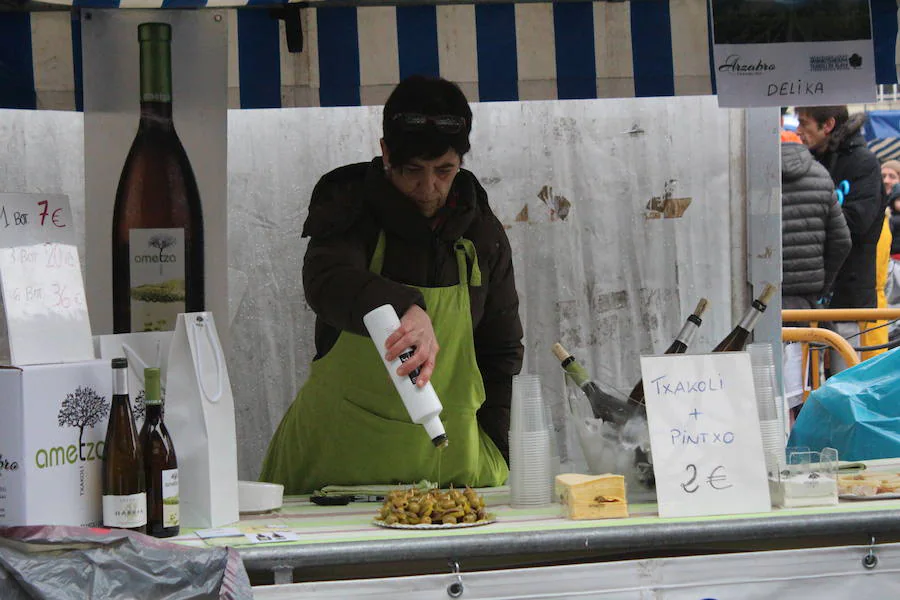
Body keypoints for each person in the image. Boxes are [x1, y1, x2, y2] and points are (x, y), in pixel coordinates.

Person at [260, 76, 525, 494]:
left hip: (452, 469)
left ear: (462, 160)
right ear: (385, 153)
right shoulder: (350, 208)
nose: (428, 187)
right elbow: (327, 280)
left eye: (444, 170)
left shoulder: (481, 233)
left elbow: (501, 350)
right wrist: (404, 307)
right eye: (411, 171)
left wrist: (494, 443)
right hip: (335, 466)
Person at [796, 106, 887, 371]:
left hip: (849, 295)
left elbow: (857, 223)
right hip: (810, 293)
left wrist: (809, 220)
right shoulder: (809, 161)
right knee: (807, 383)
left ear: (828, 125)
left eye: (804, 123)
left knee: (845, 378)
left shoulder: (863, 163)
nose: (798, 131)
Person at [780, 141, 851, 413]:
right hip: (806, 304)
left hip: (758, 302)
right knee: (804, 387)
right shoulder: (821, 176)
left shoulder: (753, 173)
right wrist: (822, 284)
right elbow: (842, 241)